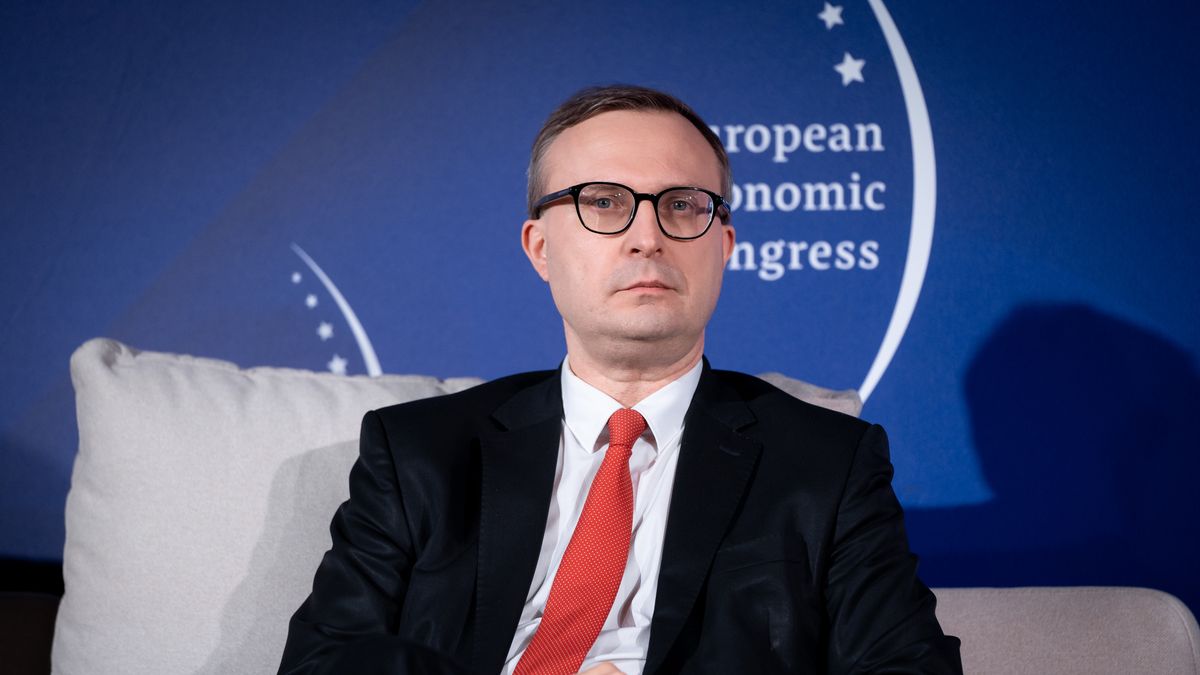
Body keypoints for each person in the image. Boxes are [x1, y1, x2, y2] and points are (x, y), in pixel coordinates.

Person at [279, 85, 961, 674]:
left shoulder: (827, 466)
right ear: (541, 248)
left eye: (683, 205)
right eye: (603, 202)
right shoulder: (421, 451)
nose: (646, 237)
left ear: (723, 246)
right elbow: (324, 661)